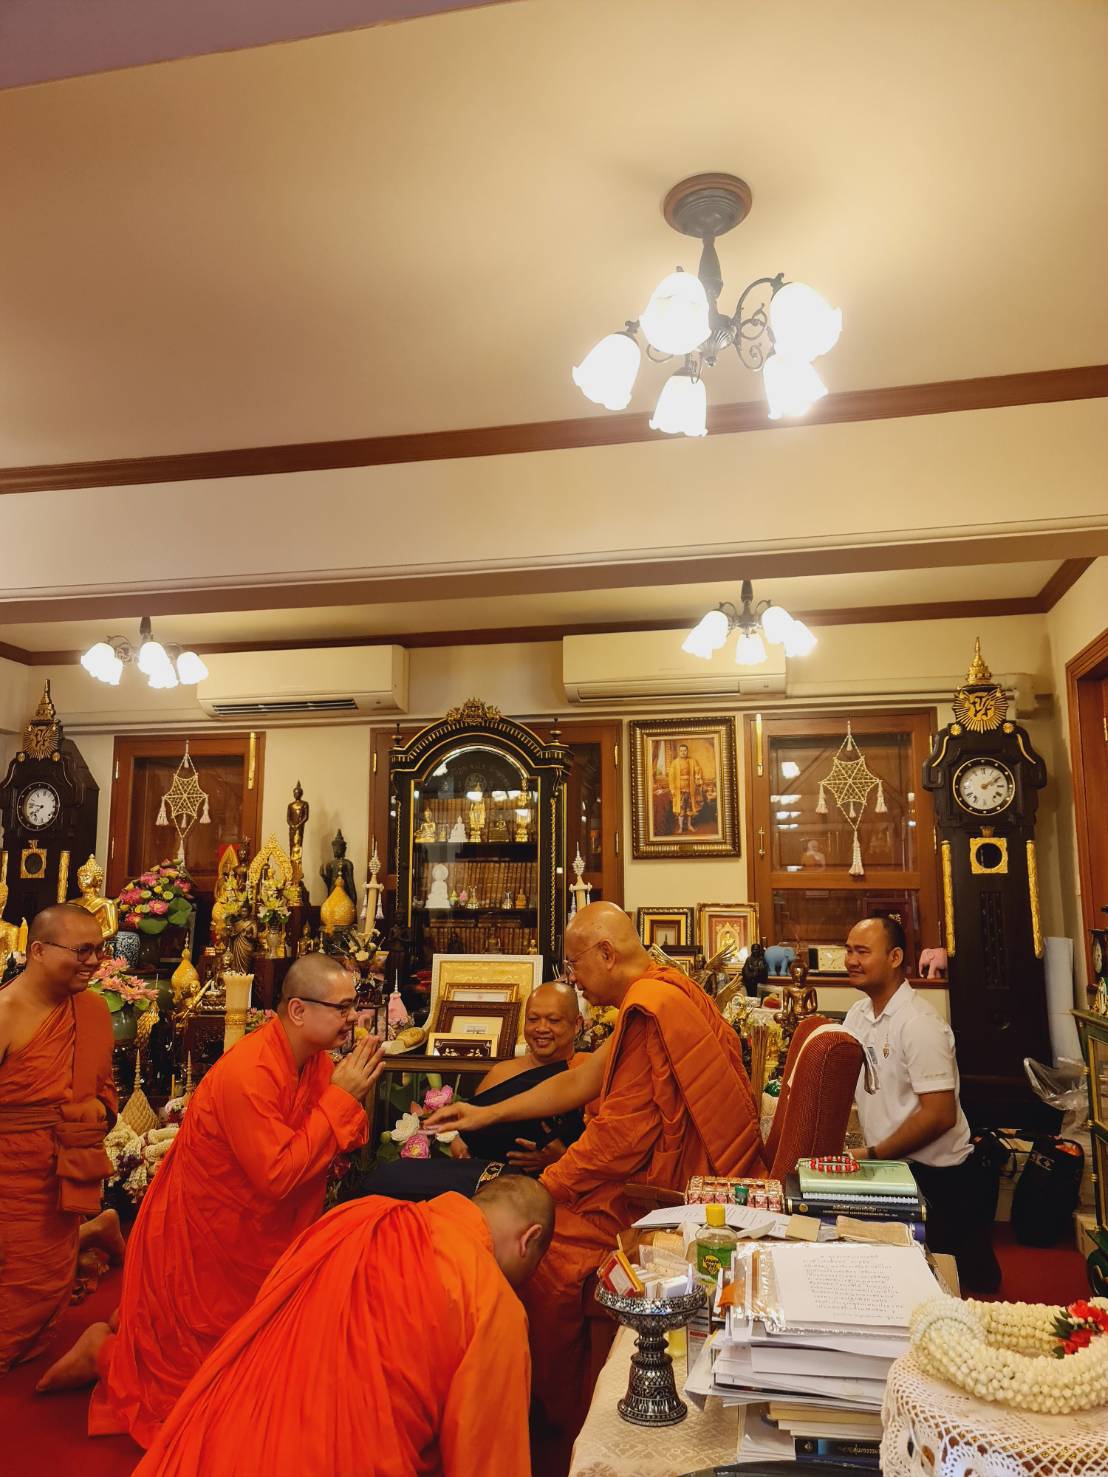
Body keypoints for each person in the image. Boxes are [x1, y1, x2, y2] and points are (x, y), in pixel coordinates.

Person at [426, 901, 764, 1455]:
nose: (574, 980)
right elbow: (581, 1083)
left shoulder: (654, 1005)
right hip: (651, 1178)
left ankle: (557, 1426)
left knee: (543, 1252)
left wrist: (543, 1189)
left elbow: (618, 1141)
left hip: (665, 1198)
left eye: (575, 965)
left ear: (606, 954)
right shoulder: (655, 996)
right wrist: (485, 1113)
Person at [39, 953, 383, 1445]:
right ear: (299, 1010)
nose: (353, 1018)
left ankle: (129, 1333)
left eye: (354, 1006)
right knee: (199, 1397)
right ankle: (106, 1354)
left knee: (264, 1376)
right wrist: (341, 1098)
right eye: (343, 1007)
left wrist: (349, 1092)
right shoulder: (250, 1072)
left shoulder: (314, 1062)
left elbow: (338, 1135)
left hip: (262, 1237)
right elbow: (276, 1176)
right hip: (209, 1240)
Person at [134, 1177, 555, 1477]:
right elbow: (487, 1458)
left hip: (224, 1438)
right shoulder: (490, 1297)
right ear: (528, 1239)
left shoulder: (352, 1217)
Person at [842, 914, 1000, 1292]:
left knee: (950, 1291)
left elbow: (940, 1115)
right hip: (891, 1169)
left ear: (895, 957)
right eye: (848, 951)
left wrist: (872, 1154)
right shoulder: (857, 1015)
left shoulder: (919, 1023)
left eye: (862, 951)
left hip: (940, 1182)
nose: (851, 961)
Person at [0, 905, 117, 1375]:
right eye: (82, 950)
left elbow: (103, 1087)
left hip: (64, 1167)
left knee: (44, 1281)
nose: (94, 961)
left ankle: (87, 1233)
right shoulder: (6, 1013)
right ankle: (94, 1232)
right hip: (10, 1172)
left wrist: (96, 1113)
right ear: (38, 951)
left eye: (99, 950)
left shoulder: (90, 1010)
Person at [667, 741, 705, 833]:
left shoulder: (692, 761)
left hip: (690, 789)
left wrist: (697, 774)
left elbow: (698, 770)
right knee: (681, 809)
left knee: (689, 809)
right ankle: (680, 828)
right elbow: (671, 778)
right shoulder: (674, 763)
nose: (683, 752)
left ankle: (689, 825)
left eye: (685, 750)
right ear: (679, 752)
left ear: (687, 751)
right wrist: (672, 788)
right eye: (681, 751)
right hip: (679, 790)